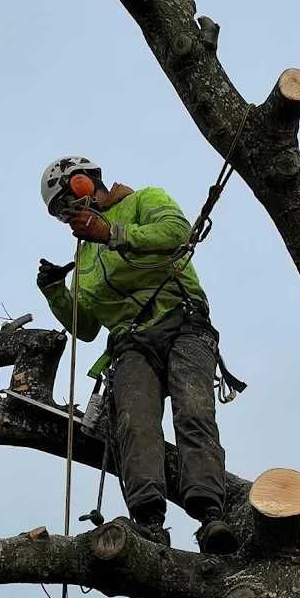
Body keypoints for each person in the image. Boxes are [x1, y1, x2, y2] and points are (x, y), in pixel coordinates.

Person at [37, 155, 239, 554]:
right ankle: (149, 520)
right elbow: (88, 327)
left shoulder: (144, 201)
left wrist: (112, 232)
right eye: (61, 214)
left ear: (83, 183)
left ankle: (210, 514)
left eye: (67, 202)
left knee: (193, 412)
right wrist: (56, 292)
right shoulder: (85, 258)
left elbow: (176, 231)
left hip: (182, 322)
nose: (69, 215)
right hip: (131, 343)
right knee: (135, 424)